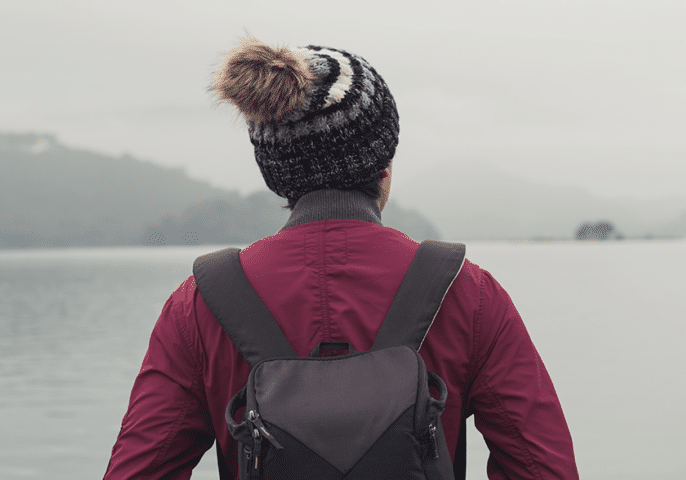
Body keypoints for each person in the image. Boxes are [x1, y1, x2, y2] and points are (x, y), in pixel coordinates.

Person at [104, 36, 579, 479]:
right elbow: (545, 469)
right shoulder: (468, 292)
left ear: (275, 173)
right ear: (384, 163)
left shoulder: (199, 304)